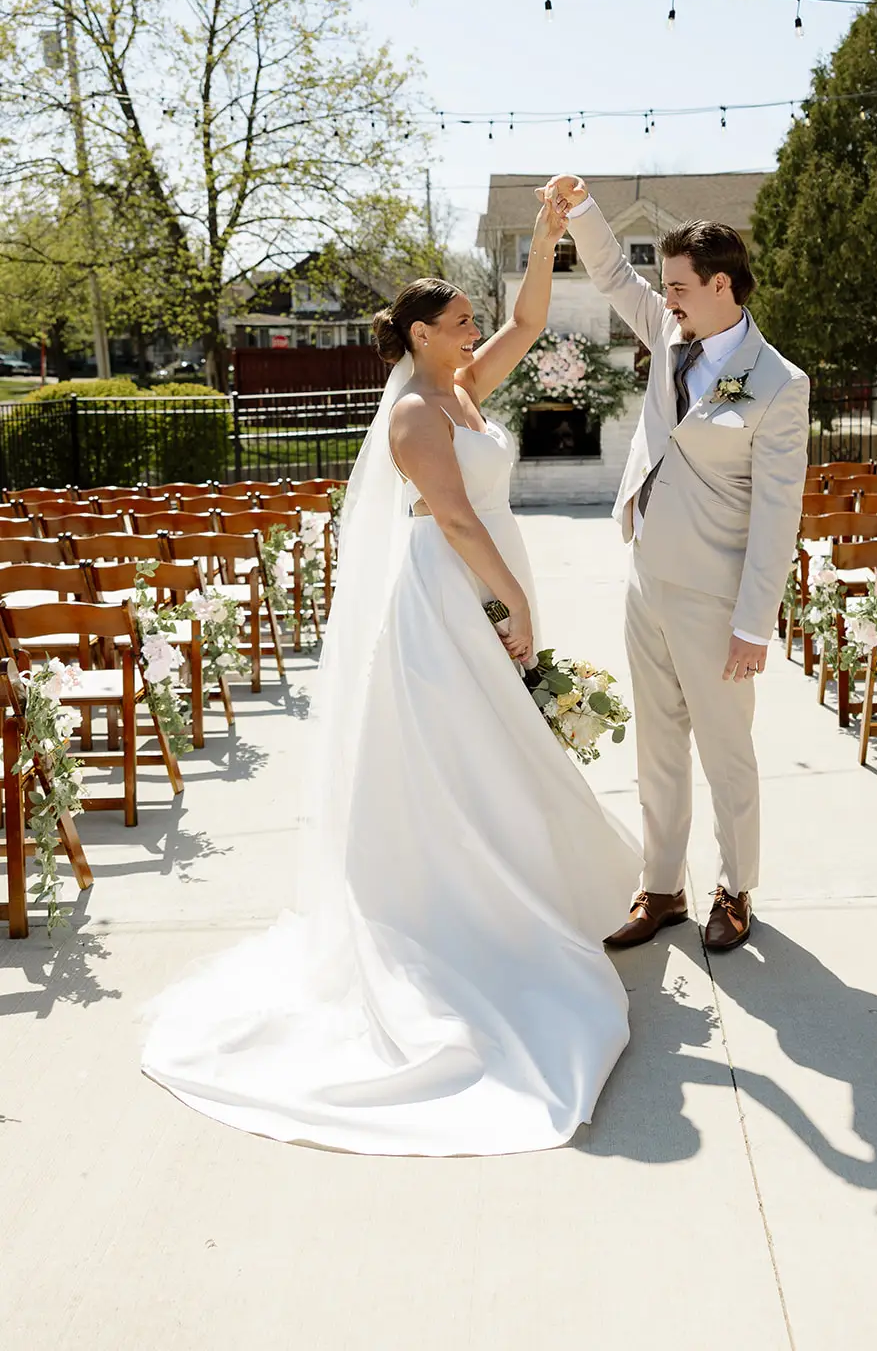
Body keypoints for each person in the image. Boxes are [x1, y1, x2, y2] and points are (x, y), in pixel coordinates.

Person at [141, 193, 640, 1157]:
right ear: (421, 333)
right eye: (460, 321)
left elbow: (531, 321)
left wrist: (543, 240)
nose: (476, 330)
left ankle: (523, 889)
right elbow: (453, 521)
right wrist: (517, 606)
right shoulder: (416, 414)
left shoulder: (462, 388)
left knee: (499, 752)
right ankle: (469, 916)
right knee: (464, 757)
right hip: (448, 596)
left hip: (481, 578)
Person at [541, 175, 809, 954]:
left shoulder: (779, 386)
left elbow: (776, 516)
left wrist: (753, 624)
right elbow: (611, 277)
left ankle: (735, 889)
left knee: (726, 753)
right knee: (655, 744)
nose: (668, 298)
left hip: (716, 595)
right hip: (644, 579)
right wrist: (583, 210)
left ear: (721, 284)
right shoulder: (667, 330)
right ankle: (662, 887)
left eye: (682, 286)